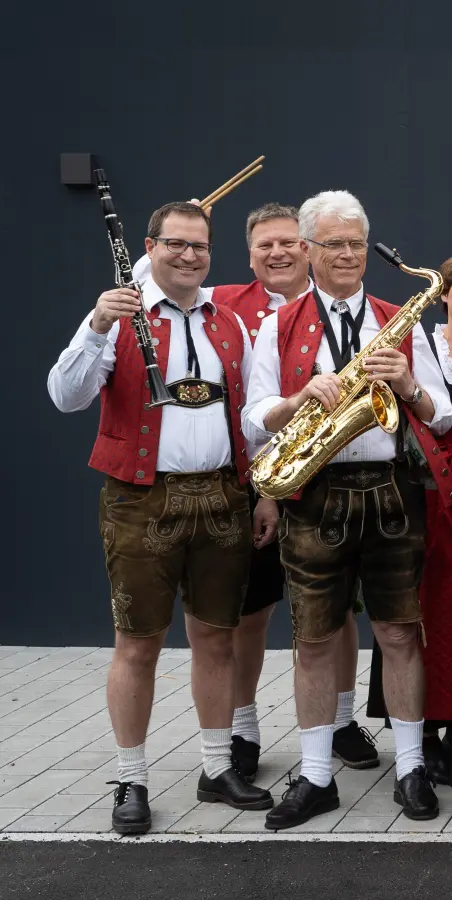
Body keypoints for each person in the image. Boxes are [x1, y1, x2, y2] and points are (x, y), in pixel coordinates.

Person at [48, 200, 272, 833]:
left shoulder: (230, 323)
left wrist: (268, 493)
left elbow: (252, 421)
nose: (188, 256)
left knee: (216, 640)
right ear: (149, 248)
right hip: (141, 499)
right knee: (137, 644)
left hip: (224, 495)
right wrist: (95, 325)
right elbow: (65, 397)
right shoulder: (119, 317)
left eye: (199, 246)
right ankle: (131, 778)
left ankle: (215, 766)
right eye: (175, 244)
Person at [243, 190, 452, 829]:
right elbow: (254, 417)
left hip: (391, 491)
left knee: (399, 632)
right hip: (313, 492)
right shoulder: (276, 325)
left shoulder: (401, 317)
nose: (347, 255)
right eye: (334, 243)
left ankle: (412, 767)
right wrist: (296, 398)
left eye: (356, 243)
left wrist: (410, 386)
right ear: (308, 250)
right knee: (312, 639)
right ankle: (316, 778)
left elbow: (443, 416)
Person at [208, 202, 375, 778]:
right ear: (249, 254)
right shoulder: (226, 308)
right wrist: (266, 492)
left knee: (338, 615)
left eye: (286, 243)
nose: (276, 254)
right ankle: (243, 729)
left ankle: (343, 720)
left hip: (327, 488)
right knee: (251, 614)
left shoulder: (344, 306)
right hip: (256, 483)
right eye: (263, 247)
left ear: (308, 248)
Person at [361, 252, 452, 781]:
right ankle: (422, 730)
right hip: (434, 485)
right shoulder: (423, 343)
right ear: (443, 294)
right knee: (432, 607)